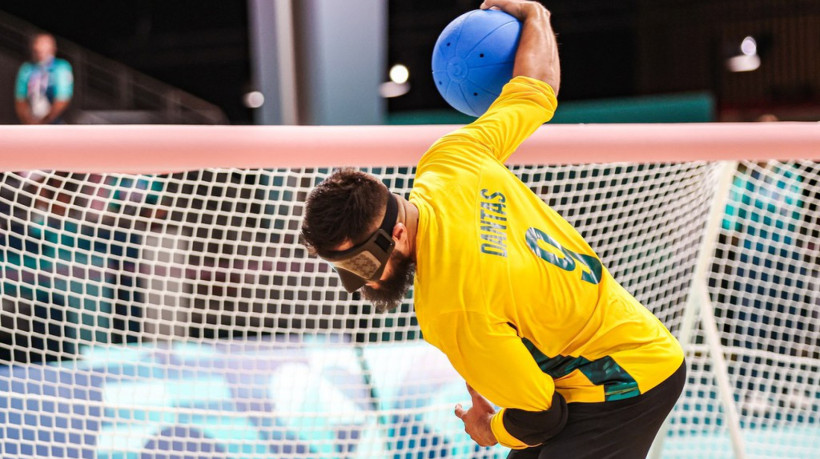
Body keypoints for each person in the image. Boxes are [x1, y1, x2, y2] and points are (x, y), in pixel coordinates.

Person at [301, 0, 685, 457]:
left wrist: (489, 429)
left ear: (397, 234)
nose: (363, 280)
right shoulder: (449, 159)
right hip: (608, 353)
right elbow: (535, 91)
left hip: (625, 383)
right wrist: (536, 15)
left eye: (361, 262)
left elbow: (542, 419)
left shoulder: (450, 306)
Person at [14, 32, 74, 125]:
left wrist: (45, 120)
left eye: (45, 45)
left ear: (53, 48)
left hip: (54, 123)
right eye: (38, 44)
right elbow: (20, 98)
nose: (40, 48)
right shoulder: (27, 68)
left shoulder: (61, 67)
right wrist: (28, 121)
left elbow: (63, 98)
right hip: (30, 122)